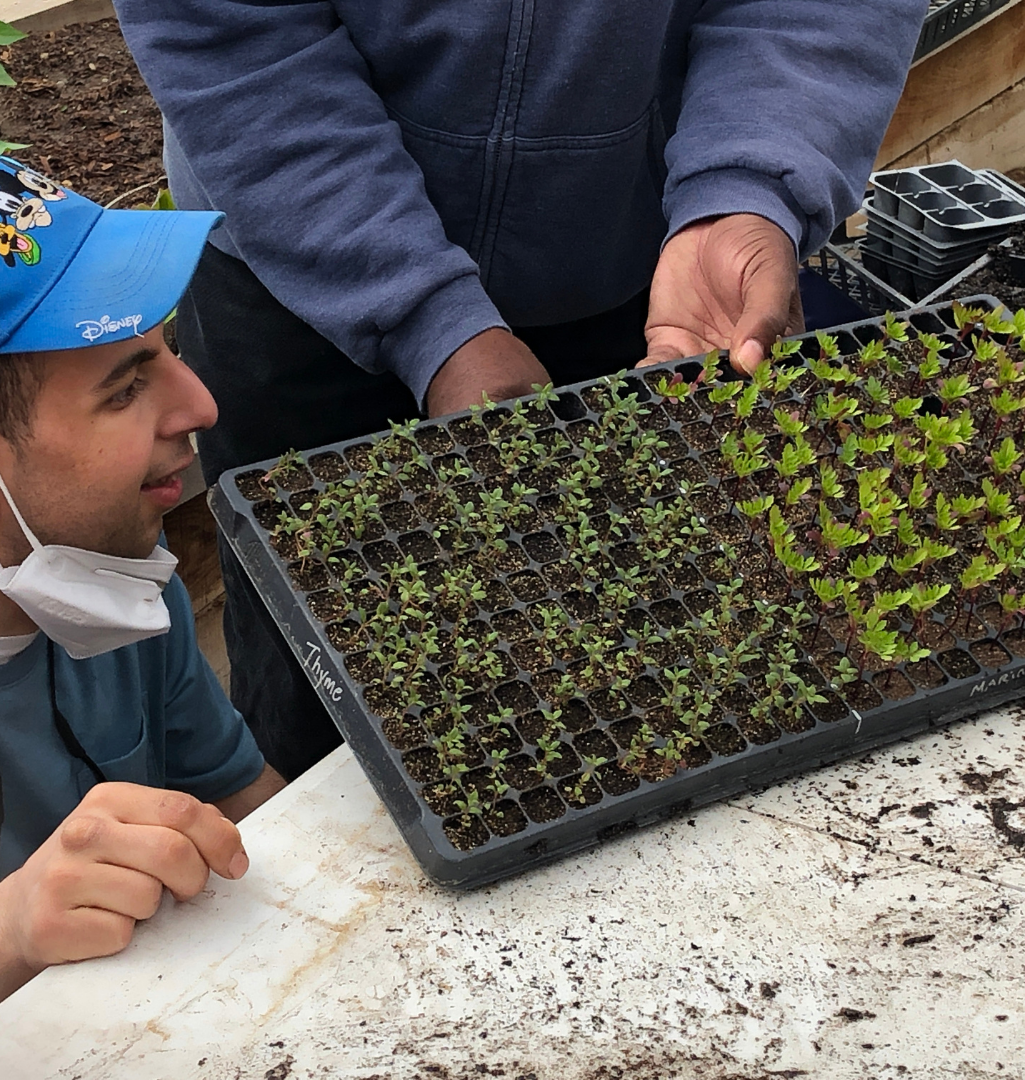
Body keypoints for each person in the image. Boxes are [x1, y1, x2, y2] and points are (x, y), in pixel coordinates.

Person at [114, 0, 928, 780]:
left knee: (631, 659)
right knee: (322, 687)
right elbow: (232, 32)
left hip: (654, 278)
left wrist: (749, 187)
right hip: (303, 259)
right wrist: (428, 318)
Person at [0, 157, 286, 1002]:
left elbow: (243, 799)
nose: (200, 404)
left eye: (166, 350)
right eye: (126, 387)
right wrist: (14, 930)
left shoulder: (118, 582)